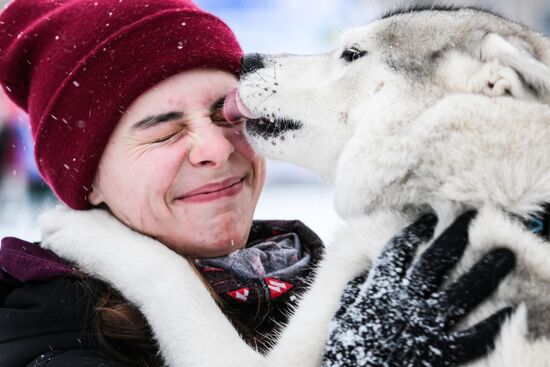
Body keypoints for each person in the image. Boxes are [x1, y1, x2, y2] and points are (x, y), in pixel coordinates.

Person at [0, 0, 516, 366]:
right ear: (87, 180)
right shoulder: (48, 331)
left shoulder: (349, 277)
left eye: (229, 117)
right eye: (164, 132)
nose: (216, 149)